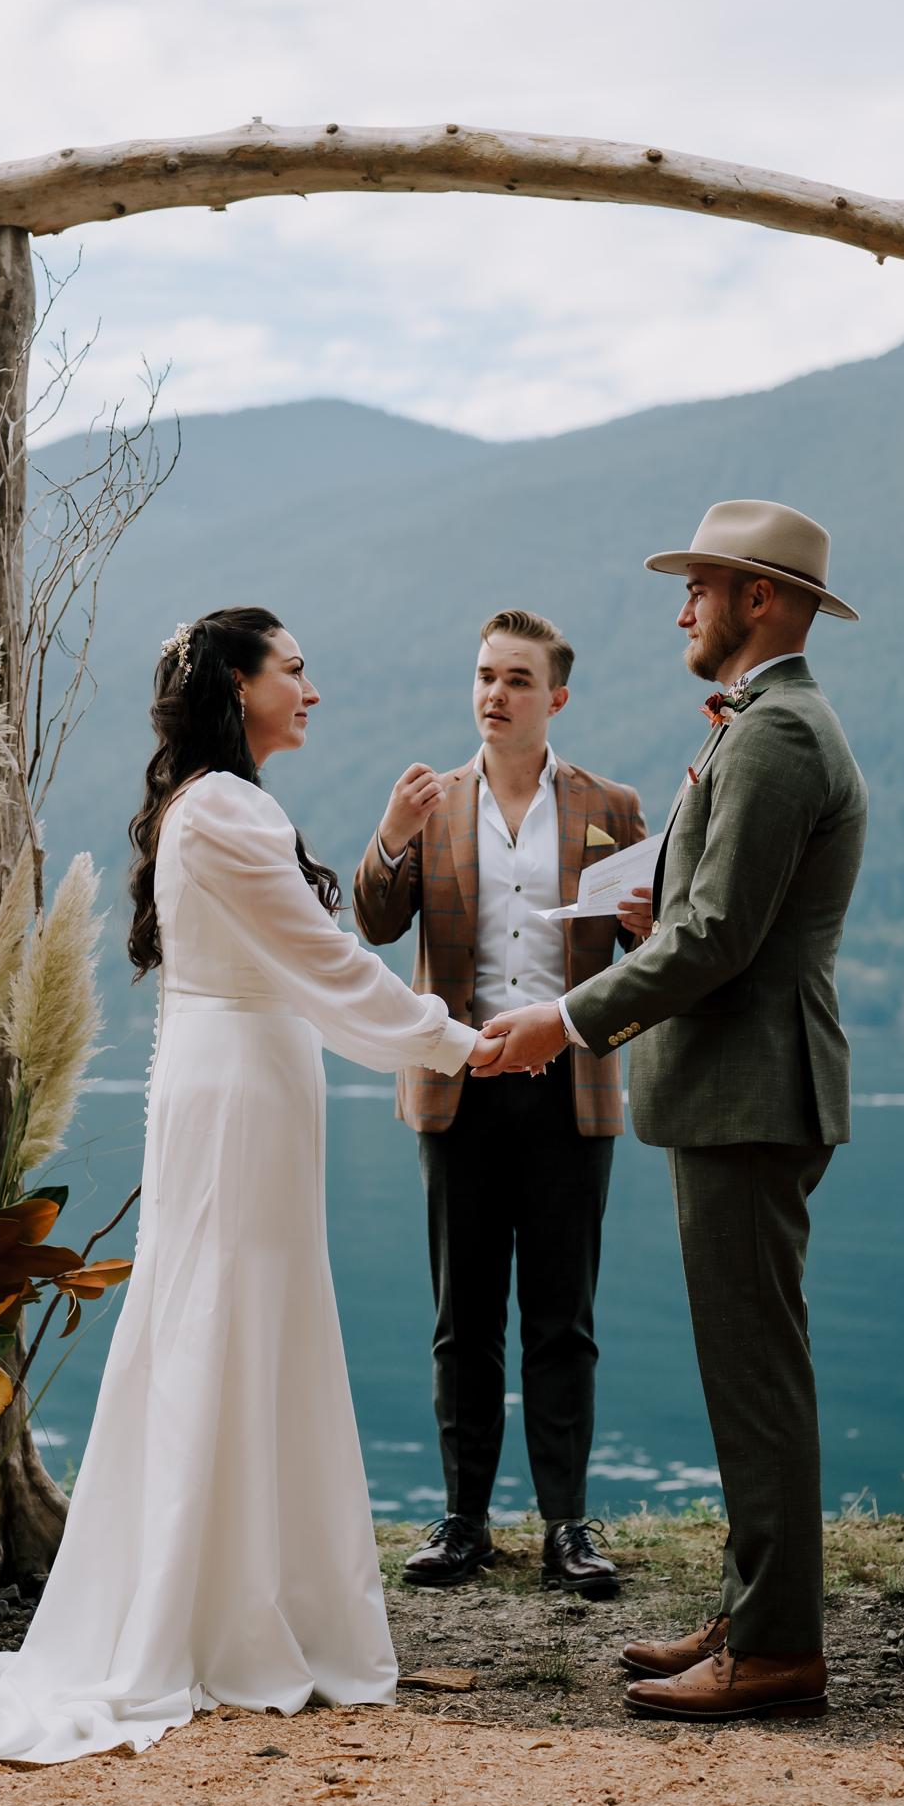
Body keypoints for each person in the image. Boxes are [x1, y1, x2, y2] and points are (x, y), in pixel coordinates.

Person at [0, 606, 504, 1779]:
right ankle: (226, 1609)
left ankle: (230, 1590)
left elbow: (295, 953)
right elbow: (330, 966)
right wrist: (462, 1041)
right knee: (231, 1323)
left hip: (234, 1082)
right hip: (239, 1094)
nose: (313, 688)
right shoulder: (228, 811)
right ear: (236, 688)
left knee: (240, 1322)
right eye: (295, 669)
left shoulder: (215, 807)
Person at [479, 504, 867, 1722]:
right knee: (748, 1363)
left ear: (759, 599)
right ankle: (758, 1612)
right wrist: (662, 917)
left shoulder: (777, 736)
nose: (680, 609)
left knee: (757, 1373)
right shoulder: (766, 728)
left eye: (698, 588)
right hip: (739, 1086)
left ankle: (779, 1650)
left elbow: (717, 939)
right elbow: (713, 918)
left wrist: (567, 1019)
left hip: (753, 1092)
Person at [353, 609, 646, 1598]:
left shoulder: (611, 805)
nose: (494, 694)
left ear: (555, 697)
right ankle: (464, 1521)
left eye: (517, 679)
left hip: (571, 1088)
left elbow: (654, 953)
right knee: (461, 1314)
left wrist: (647, 925)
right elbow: (377, 921)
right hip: (457, 1086)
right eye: (484, 675)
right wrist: (390, 840)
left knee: (564, 1317)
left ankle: (568, 1526)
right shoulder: (431, 803)